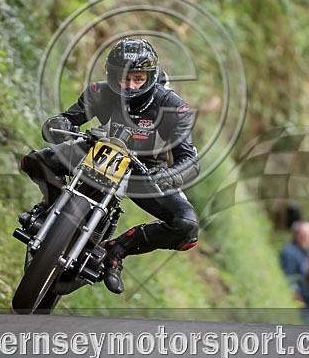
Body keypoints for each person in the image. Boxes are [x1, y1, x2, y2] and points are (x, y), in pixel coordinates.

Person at [20, 38, 200, 294]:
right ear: (110, 75)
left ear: (151, 77)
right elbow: (65, 119)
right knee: (33, 161)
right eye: (122, 78)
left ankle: (116, 251)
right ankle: (49, 207)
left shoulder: (174, 107)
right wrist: (58, 126)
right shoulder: (98, 91)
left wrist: (168, 176)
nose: (130, 85)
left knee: (186, 226)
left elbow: (190, 159)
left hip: (144, 171)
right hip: (97, 147)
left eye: (138, 78)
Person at [279, 220, 309, 317]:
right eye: (302, 234)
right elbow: (289, 279)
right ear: (294, 234)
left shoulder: (305, 252)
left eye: (308, 235)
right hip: (300, 306)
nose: (305, 238)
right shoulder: (289, 252)